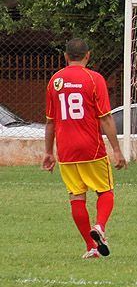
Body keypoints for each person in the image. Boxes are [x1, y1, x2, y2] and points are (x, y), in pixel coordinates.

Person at [42, 38, 127, 259]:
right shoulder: (94, 78)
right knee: (105, 191)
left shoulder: (55, 81)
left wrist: (48, 152)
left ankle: (91, 247)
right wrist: (117, 149)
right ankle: (99, 226)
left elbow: (50, 121)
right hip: (91, 146)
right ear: (88, 55)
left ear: (66, 56)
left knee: (76, 197)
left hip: (66, 149)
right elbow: (106, 118)